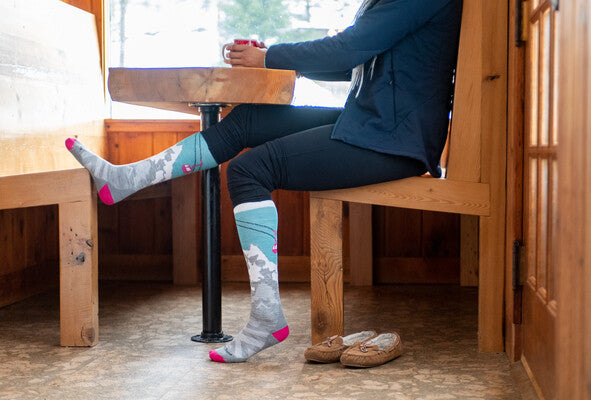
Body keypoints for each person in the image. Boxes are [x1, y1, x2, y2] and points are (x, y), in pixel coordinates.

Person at [65, 0, 462, 363]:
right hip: (373, 123)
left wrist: (269, 55)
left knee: (249, 170)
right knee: (247, 119)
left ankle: (266, 318)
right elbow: (348, 63)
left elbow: (348, 49)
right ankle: (124, 179)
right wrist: (266, 60)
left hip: (393, 140)